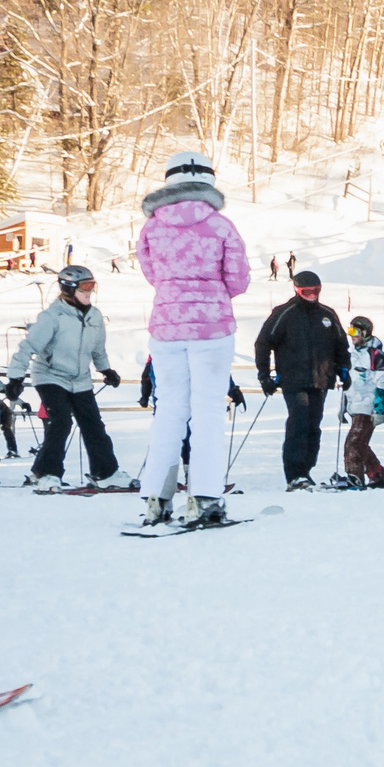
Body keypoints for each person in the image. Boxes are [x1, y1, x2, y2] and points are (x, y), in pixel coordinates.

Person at [135, 149, 252, 527]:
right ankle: (205, 498)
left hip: (166, 327)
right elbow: (239, 280)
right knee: (207, 412)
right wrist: (210, 294)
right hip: (212, 329)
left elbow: (151, 273)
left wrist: (175, 293)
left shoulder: (152, 227)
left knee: (168, 410)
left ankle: (157, 497)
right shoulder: (221, 225)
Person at [2, 264, 122, 490]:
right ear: (68, 289)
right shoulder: (52, 317)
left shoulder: (95, 316)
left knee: (93, 424)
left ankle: (105, 473)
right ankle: (48, 474)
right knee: (61, 423)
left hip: (80, 379)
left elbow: (98, 350)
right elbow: (28, 347)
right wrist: (15, 378)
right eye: (84, 287)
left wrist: (106, 370)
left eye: (92, 287)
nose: (89, 292)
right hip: (50, 375)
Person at [252, 268, 347, 490]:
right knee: (299, 422)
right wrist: (264, 375)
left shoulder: (328, 314)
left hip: (321, 379)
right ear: (297, 290)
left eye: (316, 290)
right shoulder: (285, 313)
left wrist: (344, 369)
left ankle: (306, 470)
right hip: (294, 379)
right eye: (307, 291)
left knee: (314, 425)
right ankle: (294, 474)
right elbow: (263, 343)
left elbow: (341, 344)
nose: (312, 295)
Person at [339, 317, 384, 488]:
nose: (352, 336)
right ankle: (376, 473)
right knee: (360, 444)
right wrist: (343, 407)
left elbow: (382, 383)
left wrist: (379, 409)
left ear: (365, 333)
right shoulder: (354, 355)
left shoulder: (375, 355)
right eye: (350, 332)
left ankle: (355, 477)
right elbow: (349, 382)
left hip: (368, 407)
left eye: (355, 332)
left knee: (353, 443)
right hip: (356, 406)